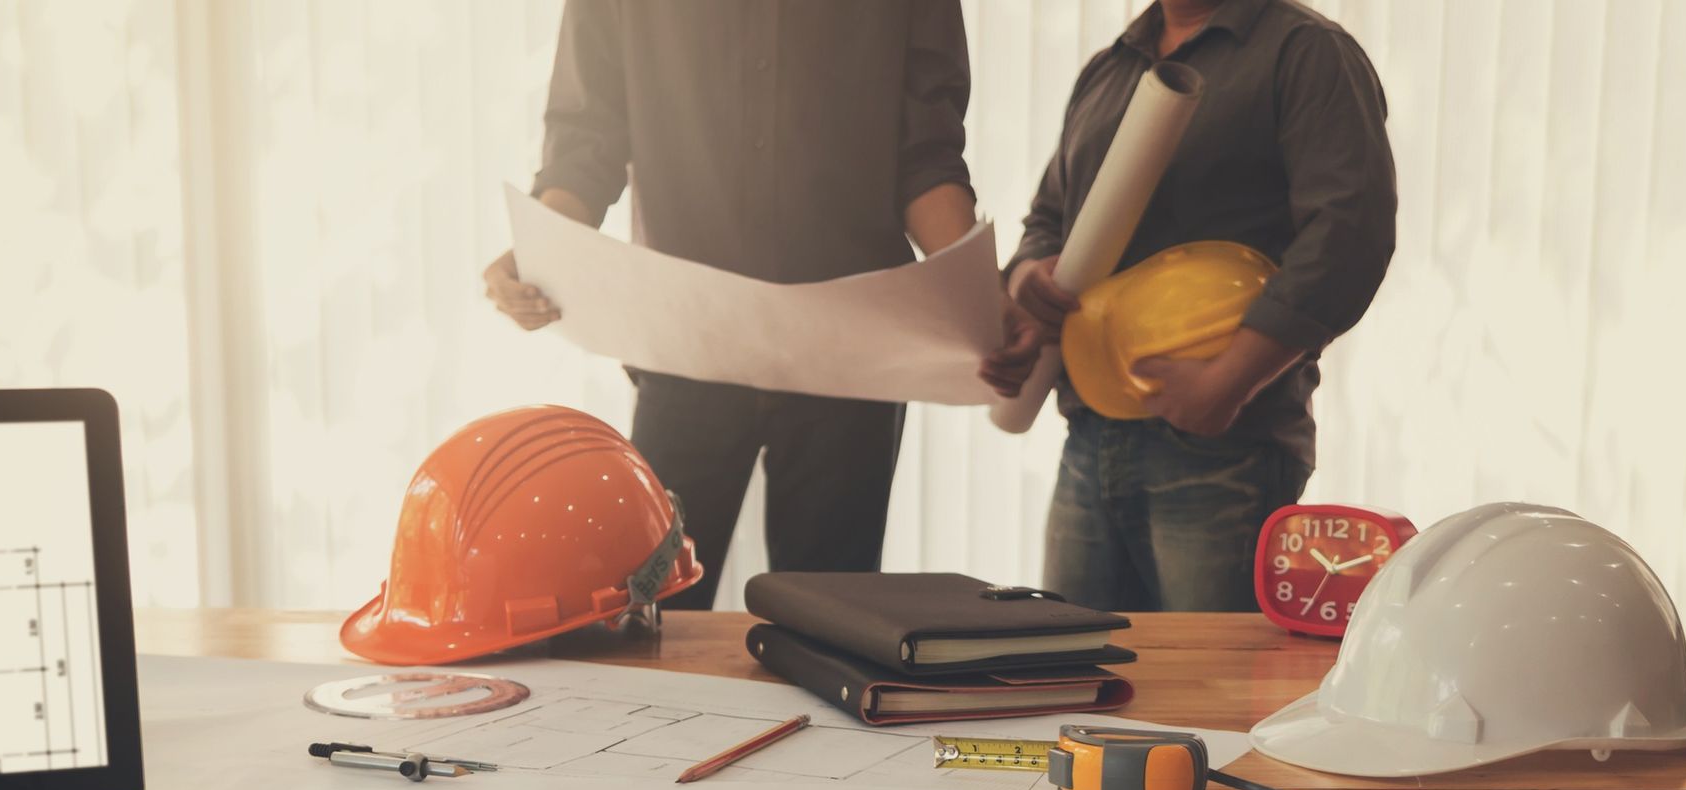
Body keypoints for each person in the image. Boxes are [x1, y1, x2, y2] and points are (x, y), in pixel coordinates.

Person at [486, 1, 1035, 608]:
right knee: (651, 619)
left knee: (832, 631)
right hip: (686, 342)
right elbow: (587, 142)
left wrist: (982, 295)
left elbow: (925, 159)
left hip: (853, 357)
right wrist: (539, 255)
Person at [999, 0, 1397, 611]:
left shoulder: (1306, 51)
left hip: (1227, 443)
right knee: (1070, 679)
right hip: (1090, 433)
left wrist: (1230, 380)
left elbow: (1349, 232)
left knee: (1206, 695)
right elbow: (1050, 217)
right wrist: (1029, 274)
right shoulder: (1111, 67)